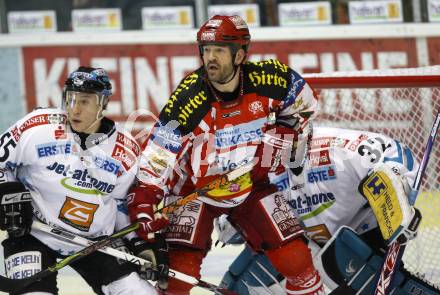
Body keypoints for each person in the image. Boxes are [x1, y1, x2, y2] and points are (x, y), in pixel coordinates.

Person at [127, 14, 325, 295]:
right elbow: (158, 155)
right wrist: (145, 202)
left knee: (297, 259)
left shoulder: (270, 79)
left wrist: (286, 132)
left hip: (250, 184)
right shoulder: (189, 99)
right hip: (195, 191)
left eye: (219, 50)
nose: (210, 58)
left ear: (240, 54)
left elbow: (306, 102)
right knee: (178, 277)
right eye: (206, 50)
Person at [216, 126, 440, 295]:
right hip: (306, 250)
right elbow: (235, 225)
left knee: (343, 256)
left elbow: (392, 155)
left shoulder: (339, 147)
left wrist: (395, 198)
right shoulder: (259, 168)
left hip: (357, 246)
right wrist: (236, 216)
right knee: (239, 285)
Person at [0, 66, 158, 295]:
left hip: (95, 243)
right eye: (70, 99)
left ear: (103, 104)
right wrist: (5, 190)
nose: (74, 108)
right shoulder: (37, 126)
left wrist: (139, 244)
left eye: (84, 101)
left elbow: (123, 205)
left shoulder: (125, 149)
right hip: (33, 233)